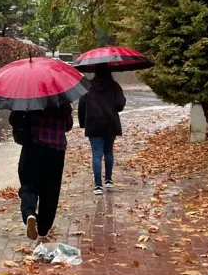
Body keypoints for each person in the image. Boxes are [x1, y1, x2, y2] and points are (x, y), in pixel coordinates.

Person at [9, 103, 73, 241]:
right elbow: (68, 125)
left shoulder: (29, 99)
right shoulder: (62, 101)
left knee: (28, 185)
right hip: (56, 151)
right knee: (51, 190)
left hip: (33, 147)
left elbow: (14, 120)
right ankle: (43, 229)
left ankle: (29, 214)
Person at [78, 63, 126, 195]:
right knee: (108, 152)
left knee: (97, 154)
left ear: (95, 71)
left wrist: (83, 123)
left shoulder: (88, 86)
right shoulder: (114, 86)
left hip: (93, 123)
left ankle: (98, 186)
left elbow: (82, 106)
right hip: (110, 123)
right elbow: (121, 104)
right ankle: (109, 180)